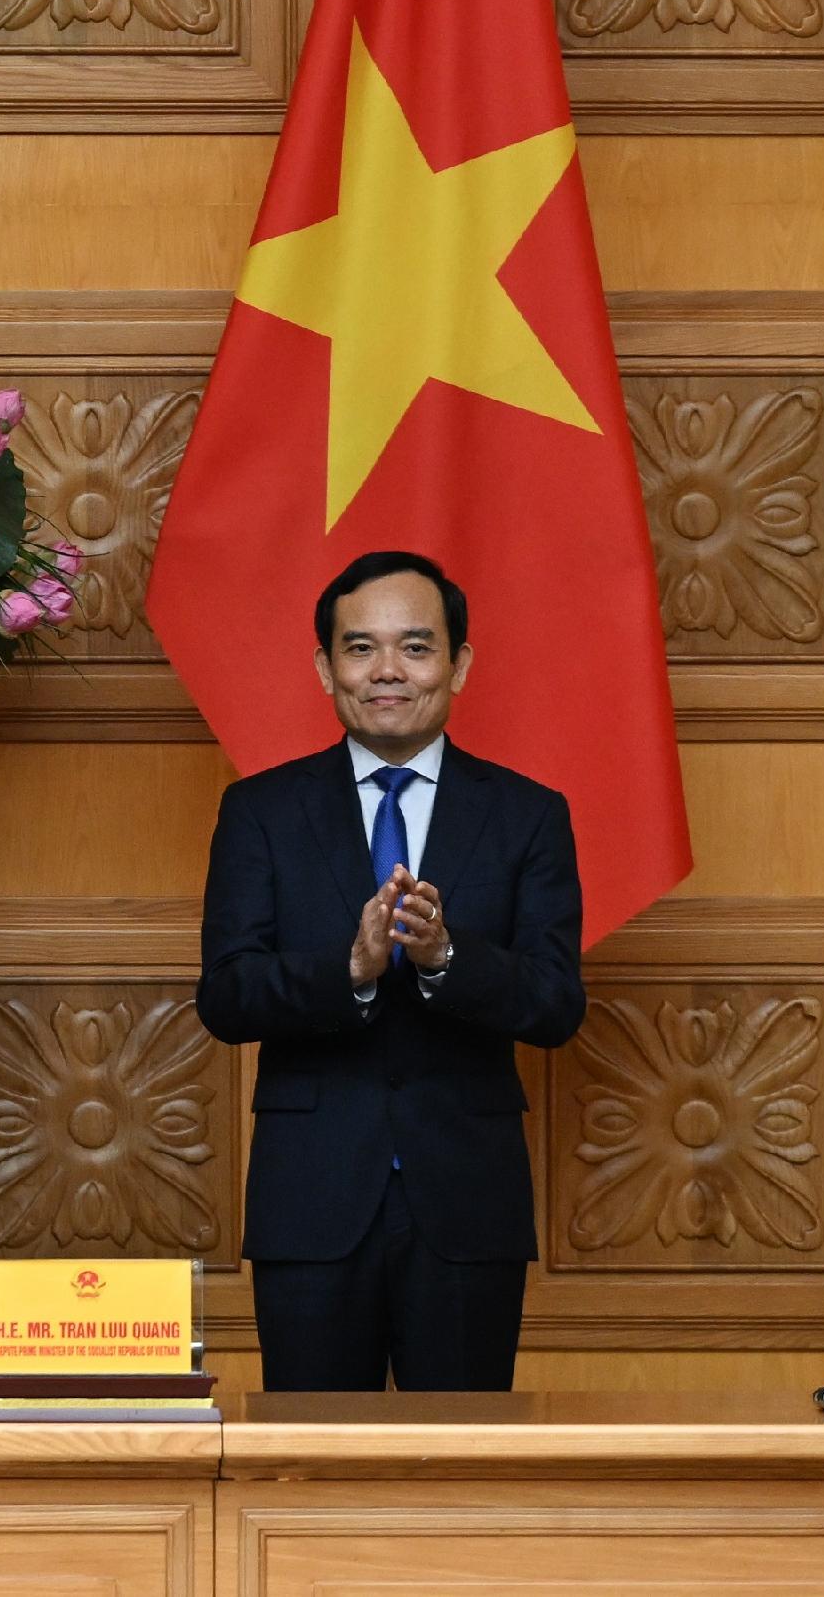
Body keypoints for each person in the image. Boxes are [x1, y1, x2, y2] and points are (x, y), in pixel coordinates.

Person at [195, 550, 587, 1393]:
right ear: (325, 666)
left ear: (459, 664)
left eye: (415, 647)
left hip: (467, 1200)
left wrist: (448, 959)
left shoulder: (528, 814)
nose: (387, 672)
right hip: (311, 1199)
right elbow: (227, 994)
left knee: (460, 1479)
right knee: (307, 1471)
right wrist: (354, 969)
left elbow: (557, 1003)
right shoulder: (261, 811)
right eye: (360, 648)